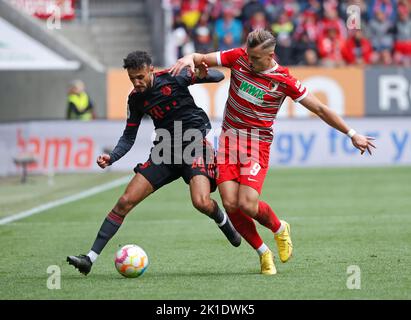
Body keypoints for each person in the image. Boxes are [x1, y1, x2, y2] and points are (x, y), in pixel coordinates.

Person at [170, 29, 376, 275]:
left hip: (257, 144)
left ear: (270, 55)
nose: (250, 61)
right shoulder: (238, 57)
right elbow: (202, 58)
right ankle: (263, 252)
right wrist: (188, 58)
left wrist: (353, 134)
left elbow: (320, 109)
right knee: (229, 203)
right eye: (249, 56)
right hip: (228, 141)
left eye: (256, 58)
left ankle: (279, 229)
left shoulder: (284, 80)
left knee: (246, 204)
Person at [67, 51, 241, 275]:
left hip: (194, 146)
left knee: (201, 202)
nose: (136, 83)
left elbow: (218, 77)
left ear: (151, 70)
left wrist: (202, 74)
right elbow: (128, 137)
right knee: (125, 201)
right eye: (132, 78)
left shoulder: (174, 76)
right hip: (164, 152)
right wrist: (112, 157)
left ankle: (223, 220)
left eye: (140, 77)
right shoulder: (135, 99)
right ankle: (89, 259)